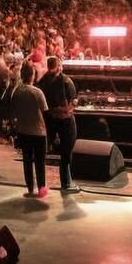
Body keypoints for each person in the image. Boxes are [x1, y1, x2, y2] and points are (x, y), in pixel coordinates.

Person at [39, 56, 80, 193]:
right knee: (67, 152)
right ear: (59, 67)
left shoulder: (42, 81)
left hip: (49, 119)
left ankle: (41, 184)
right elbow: (73, 100)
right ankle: (66, 183)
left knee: (44, 151)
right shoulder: (66, 81)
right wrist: (71, 106)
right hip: (65, 119)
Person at [10, 62, 50, 198]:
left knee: (27, 161)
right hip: (38, 131)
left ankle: (30, 188)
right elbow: (45, 112)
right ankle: (41, 188)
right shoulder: (37, 92)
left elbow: (14, 112)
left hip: (23, 131)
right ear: (32, 75)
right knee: (40, 162)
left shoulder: (17, 92)